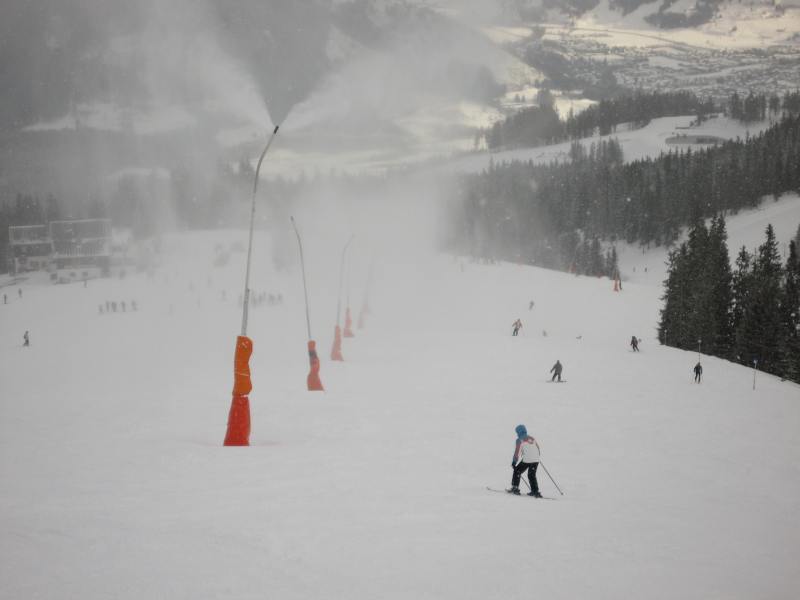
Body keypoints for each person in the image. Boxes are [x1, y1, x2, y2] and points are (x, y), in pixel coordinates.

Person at [508, 424, 541, 497]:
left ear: (518, 432)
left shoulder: (519, 440)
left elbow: (517, 452)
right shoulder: (532, 438)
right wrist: (537, 456)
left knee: (517, 471)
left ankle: (515, 487)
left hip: (527, 459)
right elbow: (538, 448)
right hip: (536, 459)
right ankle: (535, 491)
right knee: (531, 475)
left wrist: (514, 462)